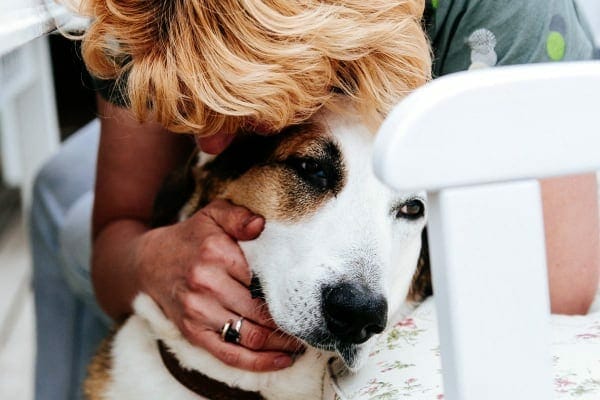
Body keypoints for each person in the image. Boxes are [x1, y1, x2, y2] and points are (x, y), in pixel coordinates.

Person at [30, 0, 599, 399]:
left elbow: (553, 297)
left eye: (240, 112)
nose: (208, 145)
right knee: (57, 190)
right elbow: (120, 224)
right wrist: (152, 262)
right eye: (197, 108)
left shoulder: (506, 18)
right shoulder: (148, 18)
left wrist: (406, 277)